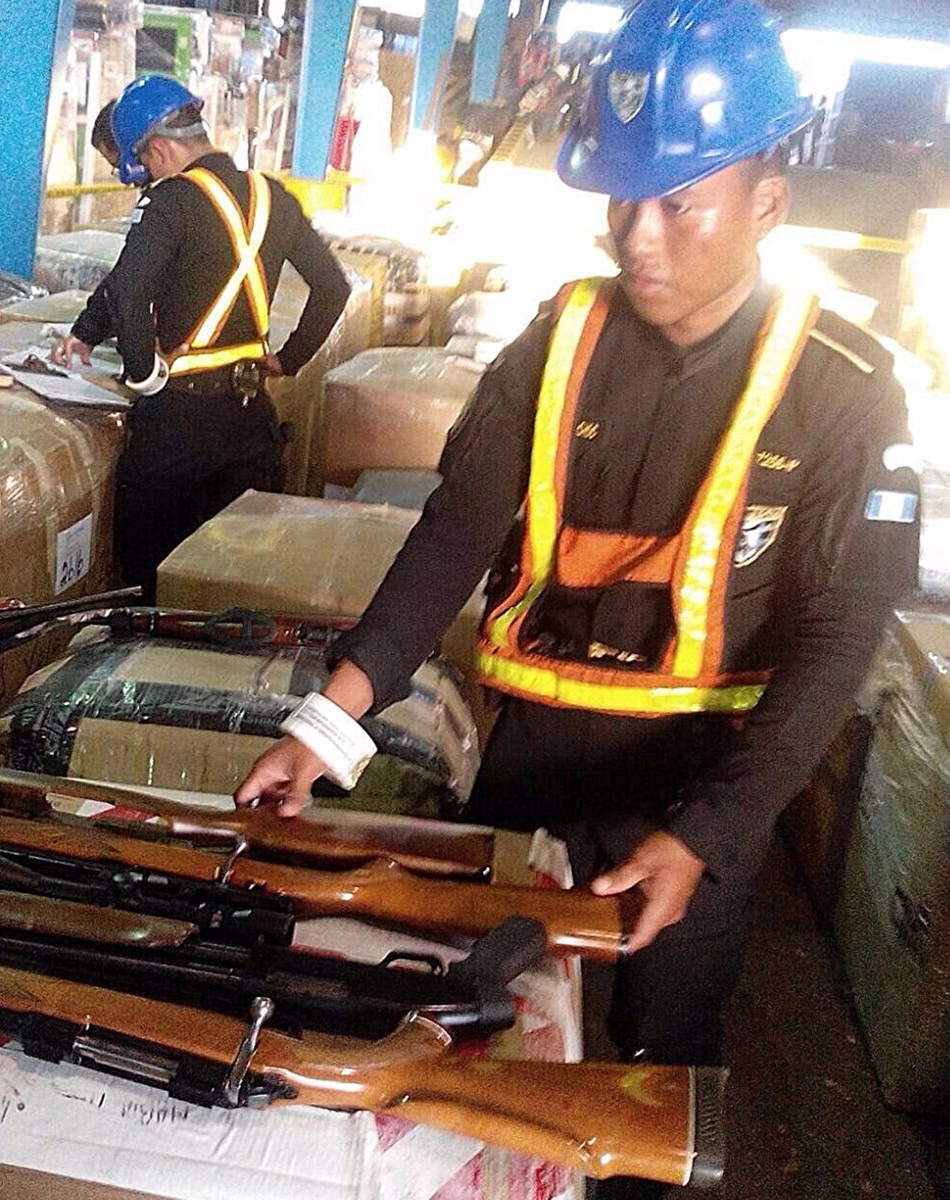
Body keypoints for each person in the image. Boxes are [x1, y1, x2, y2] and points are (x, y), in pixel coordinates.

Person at [236, 2, 919, 1193]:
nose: (638, 236)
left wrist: (706, 837)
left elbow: (836, 643)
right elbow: (451, 540)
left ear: (768, 202)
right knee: (476, 1021)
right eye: (620, 198)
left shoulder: (844, 392)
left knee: (663, 1053)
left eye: (678, 202)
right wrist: (325, 725)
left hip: (700, 788)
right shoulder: (558, 341)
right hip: (533, 766)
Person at [54, 75, 350, 600]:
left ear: (162, 148)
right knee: (235, 588)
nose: (145, 175)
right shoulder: (274, 196)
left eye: (143, 162)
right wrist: (290, 359)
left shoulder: (171, 201)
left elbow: (129, 289)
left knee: (153, 588)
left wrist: (143, 374)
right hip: (251, 420)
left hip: (176, 431)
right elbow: (333, 287)